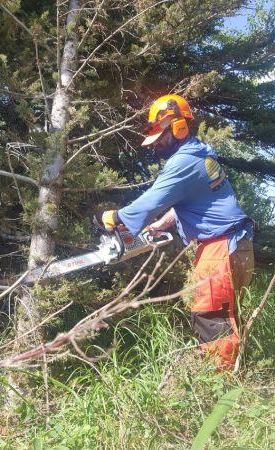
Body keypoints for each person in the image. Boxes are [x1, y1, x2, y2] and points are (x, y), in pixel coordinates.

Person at [102, 94, 254, 369]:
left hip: (220, 247)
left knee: (210, 316)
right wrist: (163, 224)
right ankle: (237, 375)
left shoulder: (183, 162)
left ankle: (222, 390)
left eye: (161, 136)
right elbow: (194, 199)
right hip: (238, 246)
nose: (157, 144)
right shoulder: (199, 154)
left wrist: (118, 218)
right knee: (228, 316)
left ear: (179, 127)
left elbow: (152, 200)